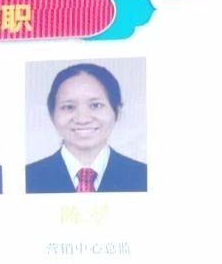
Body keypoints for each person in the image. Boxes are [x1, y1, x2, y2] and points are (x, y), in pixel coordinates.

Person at [25, 63, 147, 193]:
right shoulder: (27, 178)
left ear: (118, 111)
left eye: (96, 105)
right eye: (69, 107)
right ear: (52, 114)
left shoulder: (144, 177)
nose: (82, 119)